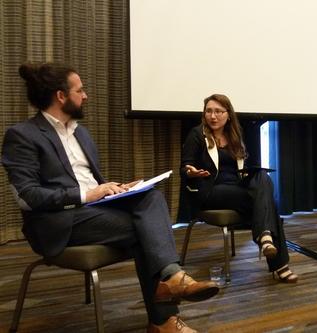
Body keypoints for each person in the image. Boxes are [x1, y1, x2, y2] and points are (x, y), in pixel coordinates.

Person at [2, 62, 219, 333]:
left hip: (94, 210)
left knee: (151, 197)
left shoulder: (81, 133)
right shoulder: (22, 135)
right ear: (61, 96)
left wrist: (113, 188)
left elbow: (87, 180)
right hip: (57, 221)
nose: (86, 96)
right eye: (80, 90)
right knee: (146, 232)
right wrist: (88, 193)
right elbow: (28, 197)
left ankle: (171, 285)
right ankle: (165, 312)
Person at [180, 93, 298, 283]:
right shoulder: (197, 135)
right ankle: (277, 259)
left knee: (262, 177)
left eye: (218, 111)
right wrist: (190, 172)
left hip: (235, 188)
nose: (213, 116)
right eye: (209, 111)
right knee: (268, 204)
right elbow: (184, 167)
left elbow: (241, 167)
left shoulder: (234, 134)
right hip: (210, 191)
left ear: (228, 114)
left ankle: (266, 237)